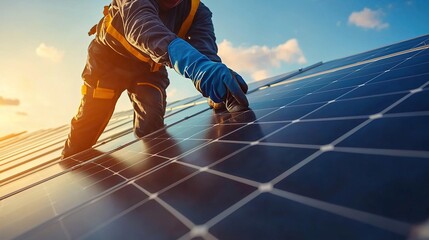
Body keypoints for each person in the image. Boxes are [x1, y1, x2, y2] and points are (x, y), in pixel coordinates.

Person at [61, 0, 249, 159]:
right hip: (108, 65)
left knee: (152, 123)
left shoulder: (197, 11)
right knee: (88, 125)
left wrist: (214, 79)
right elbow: (142, 28)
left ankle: (156, 176)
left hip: (148, 69)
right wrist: (196, 67)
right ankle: (69, 161)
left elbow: (205, 48)